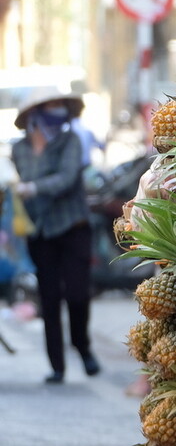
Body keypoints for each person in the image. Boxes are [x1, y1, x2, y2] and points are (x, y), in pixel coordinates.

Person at [11, 87, 100, 384]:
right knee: (49, 299)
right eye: (51, 106)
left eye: (61, 105)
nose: (58, 111)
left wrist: (34, 188)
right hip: (41, 233)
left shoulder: (70, 141)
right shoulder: (20, 149)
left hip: (73, 227)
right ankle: (57, 365)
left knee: (77, 294)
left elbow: (66, 178)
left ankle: (82, 346)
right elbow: (20, 181)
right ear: (35, 115)